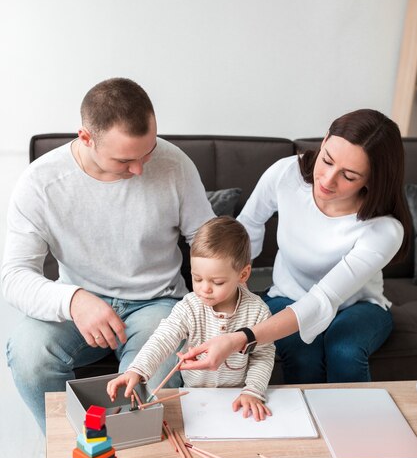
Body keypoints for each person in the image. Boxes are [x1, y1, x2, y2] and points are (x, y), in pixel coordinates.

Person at [2, 77, 215, 433]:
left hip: (156, 304)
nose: (140, 169)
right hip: (79, 303)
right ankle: (75, 448)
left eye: (147, 152)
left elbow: (206, 240)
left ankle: (131, 454)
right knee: (28, 355)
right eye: (125, 159)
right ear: (86, 138)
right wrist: (74, 301)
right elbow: (14, 276)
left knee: (152, 379)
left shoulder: (174, 163)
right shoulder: (40, 183)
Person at [180, 109, 412, 385]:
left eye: (348, 176)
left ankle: (353, 423)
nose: (326, 180)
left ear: (372, 179)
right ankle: (302, 425)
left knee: (344, 349)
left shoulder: (385, 229)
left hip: (357, 306)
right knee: (303, 353)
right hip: (285, 295)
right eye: (327, 160)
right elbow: (248, 226)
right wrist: (234, 287)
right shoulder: (286, 174)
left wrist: (240, 338)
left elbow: (323, 299)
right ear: (324, 140)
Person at [107, 216, 276, 421]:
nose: (204, 288)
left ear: (243, 275)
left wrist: (252, 391)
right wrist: (137, 370)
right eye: (197, 278)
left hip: (237, 400)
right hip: (194, 398)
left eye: (217, 282)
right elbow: (163, 338)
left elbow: (263, 355)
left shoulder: (257, 311)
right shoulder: (189, 306)